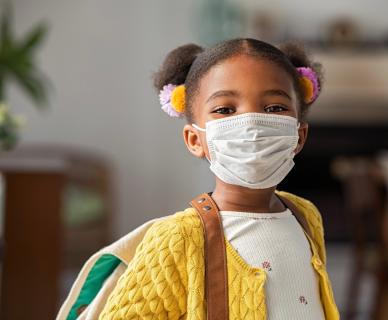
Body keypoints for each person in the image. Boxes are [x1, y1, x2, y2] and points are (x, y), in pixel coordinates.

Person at [57, 38, 339, 320]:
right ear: (195, 139)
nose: (252, 124)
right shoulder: (178, 239)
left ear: (299, 135)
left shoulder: (306, 216)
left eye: (275, 108)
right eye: (225, 109)